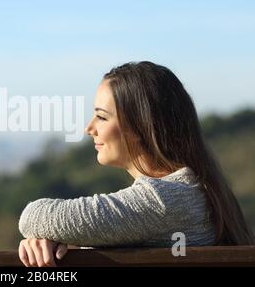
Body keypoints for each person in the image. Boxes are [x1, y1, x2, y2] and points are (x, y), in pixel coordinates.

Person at [18, 61, 254, 267]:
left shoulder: (166, 200)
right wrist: (58, 239)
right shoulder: (194, 189)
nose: (89, 128)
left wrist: (56, 233)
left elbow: (33, 216)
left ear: (139, 127)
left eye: (101, 117)